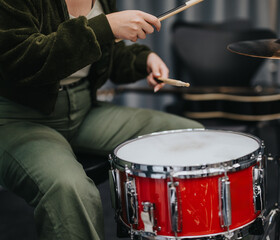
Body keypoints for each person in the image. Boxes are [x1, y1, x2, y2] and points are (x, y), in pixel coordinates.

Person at [0, 0, 203, 239]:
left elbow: (106, 55)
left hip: (83, 108)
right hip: (19, 118)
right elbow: (21, 59)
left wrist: (143, 61)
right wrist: (104, 26)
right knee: (69, 189)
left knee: (191, 136)